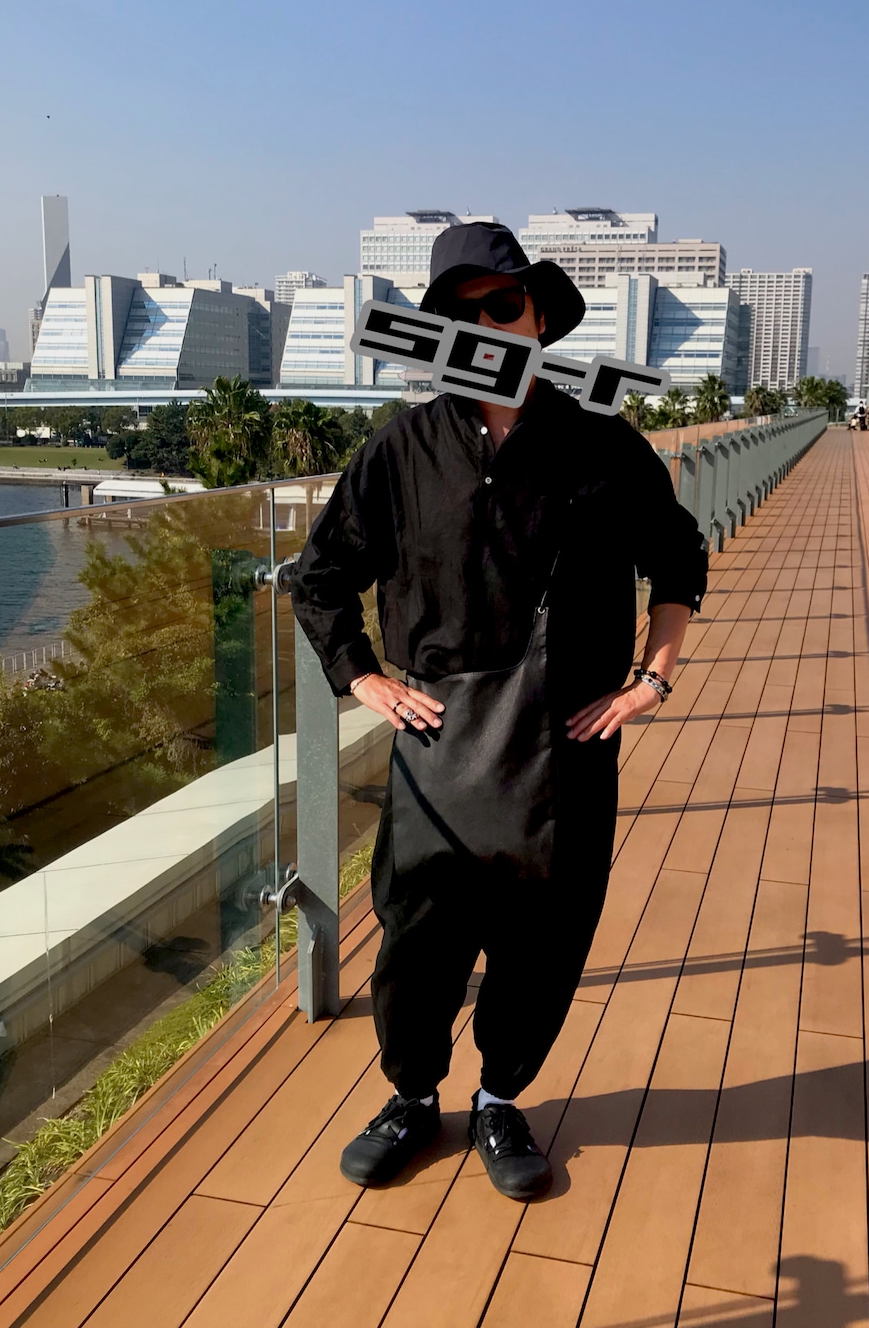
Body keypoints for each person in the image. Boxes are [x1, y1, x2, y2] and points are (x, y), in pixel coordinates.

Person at [291, 222, 708, 1201]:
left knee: (544, 936)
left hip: (566, 741)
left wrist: (652, 678)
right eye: (461, 309)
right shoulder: (401, 449)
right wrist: (362, 677)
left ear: (538, 317)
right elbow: (321, 576)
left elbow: (677, 555)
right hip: (437, 740)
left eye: (503, 304)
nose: (485, 322)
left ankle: (499, 1098)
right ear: (437, 327)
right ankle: (410, 1095)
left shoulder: (602, 445)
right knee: (416, 935)